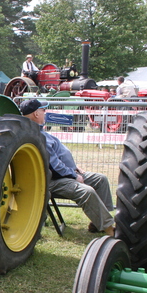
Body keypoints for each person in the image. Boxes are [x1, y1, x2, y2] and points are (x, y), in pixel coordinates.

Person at [20, 98, 115, 236]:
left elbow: (58, 158)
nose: (45, 113)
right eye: (43, 110)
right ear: (36, 114)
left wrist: (75, 168)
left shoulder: (41, 133)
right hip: (54, 180)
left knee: (101, 179)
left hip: (66, 173)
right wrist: (74, 175)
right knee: (86, 192)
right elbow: (54, 166)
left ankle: (97, 223)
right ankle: (109, 229)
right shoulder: (37, 136)